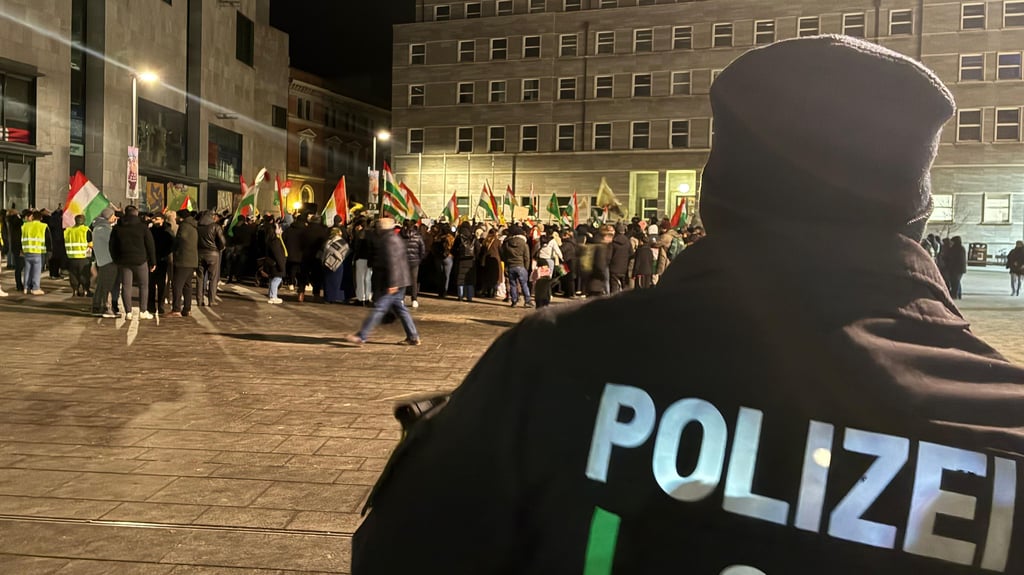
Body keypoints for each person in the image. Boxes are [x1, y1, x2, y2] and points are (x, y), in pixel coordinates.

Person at [352, 36, 1024, 574]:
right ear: (916, 205)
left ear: (714, 191)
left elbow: (403, 551)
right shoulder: (1005, 431)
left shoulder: (558, 363)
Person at [343, 216, 420, 346]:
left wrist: (392, 283)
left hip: (393, 282)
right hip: (398, 280)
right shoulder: (391, 238)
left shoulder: (389, 240)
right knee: (401, 309)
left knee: (379, 308)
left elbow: (393, 262)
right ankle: (413, 336)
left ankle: (361, 336)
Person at [110, 206, 156, 319]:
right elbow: (150, 245)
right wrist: (153, 261)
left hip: (124, 260)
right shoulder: (143, 227)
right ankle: (143, 311)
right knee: (144, 285)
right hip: (141, 260)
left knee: (126, 286)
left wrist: (116, 259)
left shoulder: (117, 228)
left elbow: (112, 245)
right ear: (136, 214)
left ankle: (128, 312)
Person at [168, 209, 198, 317]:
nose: (175, 219)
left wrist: (174, 248)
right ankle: (187, 308)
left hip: (183, 260)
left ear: (181, 217)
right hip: (192, 260)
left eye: (177, 217)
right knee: (187, 285)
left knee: (177, 284)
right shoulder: (194, 225)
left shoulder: (184, 226)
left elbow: (181, 239)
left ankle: (176, 309)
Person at [90, 208, 117, 317]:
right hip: (109, 260)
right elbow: (113, 243)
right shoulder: (105, 229)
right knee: (107, 285)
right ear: (108, 217)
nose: (115, 218)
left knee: (101, 284)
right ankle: (106, 307)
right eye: (113, 216)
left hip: (101, 260)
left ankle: (96, 306)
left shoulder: (97, 228)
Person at [197, 210, 226, 306]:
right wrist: (220, 248)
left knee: (200, 277)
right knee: (213, 278)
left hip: (199, 253)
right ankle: (211, 300)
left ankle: (199, 299)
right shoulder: (215, 226)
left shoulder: (197, 226)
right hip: (213, 254)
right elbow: (222, 241)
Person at [20, 210, 50, 295]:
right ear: (41, 218)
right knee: (36, 271)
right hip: (38, 251)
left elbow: (20, 238)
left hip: (27, 251)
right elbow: (48, 239)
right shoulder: (43, 226)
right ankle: (35, 288)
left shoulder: (25, 226)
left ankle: (26, 287)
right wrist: (49, 250)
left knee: (27, 270)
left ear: (32, 217)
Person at [63, 214, 92, 297]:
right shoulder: (86, 230)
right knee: (84, 275)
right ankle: (86, 290)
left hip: (71, 257)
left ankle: (75, 290)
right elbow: (91, 244)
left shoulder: (68, 231)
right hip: (84, 257)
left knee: (73, 275)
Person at [265, 222, 287, 304]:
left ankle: (272, 295)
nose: (281, 230)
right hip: (276, 264)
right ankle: (273, 296)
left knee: (273, 279)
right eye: (279, 228)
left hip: (274, 264)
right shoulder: (275, 241)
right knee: (277, 279)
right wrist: (281, 266)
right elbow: (278, 254)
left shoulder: (272, 239)